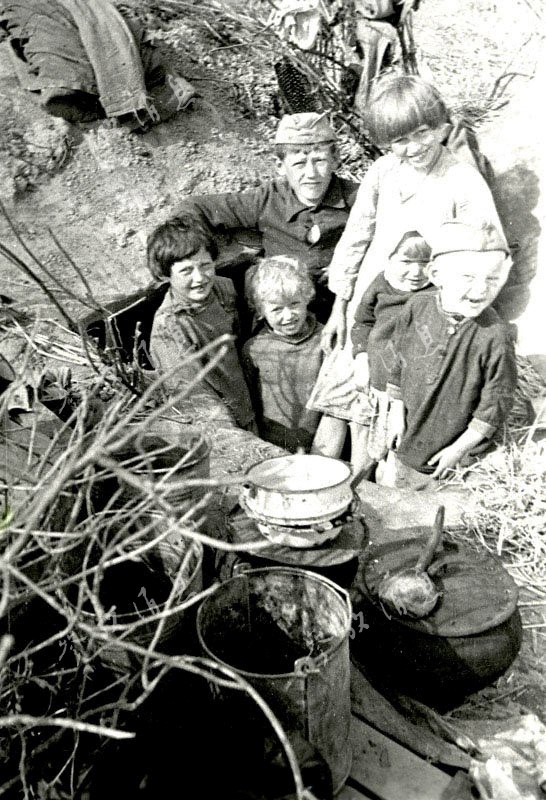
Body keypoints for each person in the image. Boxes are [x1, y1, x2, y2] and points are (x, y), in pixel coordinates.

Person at [309, 73, 506, 467]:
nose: (413, 148)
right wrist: (339, 308)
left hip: (419, 313)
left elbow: (488, 251)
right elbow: (356, 236)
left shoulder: (462, 181)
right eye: (399, 140)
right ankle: (314, 482)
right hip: (369, 303)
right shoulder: (383, 172)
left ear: (440, 127)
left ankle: (371, 487)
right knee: (339, 404)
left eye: (421, 133)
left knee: (384, 414)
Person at [174, 112, 359, 323]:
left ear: (335, 159)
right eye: (299, 164)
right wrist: (190, 248)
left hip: (345, 309)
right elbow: (194, 207)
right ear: (280, 165)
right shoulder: (267, 200)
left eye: (320, 161)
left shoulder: (360, 199)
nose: (311, 173)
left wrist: (349, 266)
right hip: (282, 316)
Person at [385, 221, 517, 489]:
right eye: (468, 277)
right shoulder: (416, 307)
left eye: (492, 279)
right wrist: (395, 413)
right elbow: (397, 361)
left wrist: (459, 450)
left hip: (454, 455)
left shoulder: (495, 336)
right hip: (409, 435)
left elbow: (495, 403)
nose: (481, 289)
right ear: (435, 274)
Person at [147, 215, 254, 429]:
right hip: (218, 419)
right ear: (166, 275)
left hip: (246, 399)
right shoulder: (169, 328)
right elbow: (191, 396)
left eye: (205, 265)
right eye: (186, 271)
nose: (199, 278)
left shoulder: (223, 288)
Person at [350, 231, 434, 471]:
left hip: (408, 391)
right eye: (406, 262)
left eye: (425, 263)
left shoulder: (435, 293)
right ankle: (358, 482)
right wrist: (361, 357)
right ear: (390, 259)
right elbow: (363, 322)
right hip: (376, 382)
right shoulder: (381, 284)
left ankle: (387, 481)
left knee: (395, 451)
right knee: (366, 444)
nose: (416, 272)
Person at [242, 256, 323, 452]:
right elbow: (248, 403)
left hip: (323, 444)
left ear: (307, 298)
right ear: (260, 310)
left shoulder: (325, 340)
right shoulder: (255, 349)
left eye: (294, 304)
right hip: (275, 445)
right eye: (277, 309)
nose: (288, 316)